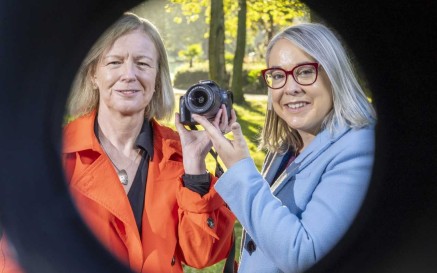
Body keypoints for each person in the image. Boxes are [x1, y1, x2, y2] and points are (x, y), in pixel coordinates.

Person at [0, 13, 235, 273]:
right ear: (93, 74)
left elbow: (201, 255)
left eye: (143, 64)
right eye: (114, 62)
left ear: (157, 78)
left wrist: (195, 171)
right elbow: (17, 258)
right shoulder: (51, 154)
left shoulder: (179, 153)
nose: (129, 74)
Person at [193, 23, 376, 273]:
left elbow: (305, 255)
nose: (290, 88)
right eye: (278, 76)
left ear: (334, 74)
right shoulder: (286, 147)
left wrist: (240, 171)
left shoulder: (360, 149)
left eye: (304, 72)